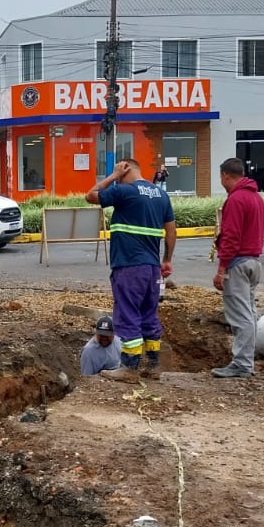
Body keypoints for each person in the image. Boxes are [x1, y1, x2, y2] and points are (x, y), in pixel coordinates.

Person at [86, 158, 176, 381]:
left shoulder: (125, 191)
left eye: (119, 169)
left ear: (125, 169)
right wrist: (166, 260)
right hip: (152, 268)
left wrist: (113, 177)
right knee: (149, 314)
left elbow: (90, 195)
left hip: (128, 266)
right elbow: (172, 230)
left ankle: (129, 367)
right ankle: (153, 365)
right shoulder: (161, 195)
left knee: (127, 313)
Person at [210, 158, 264, 378]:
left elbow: (231, 237)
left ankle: (242, 364)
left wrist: (222, 269)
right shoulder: (256, 198)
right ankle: (247, 360)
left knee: (240, 316)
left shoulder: (235, 200)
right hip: (254, 261)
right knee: (249, 313)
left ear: (225, 175)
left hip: (238, 264)